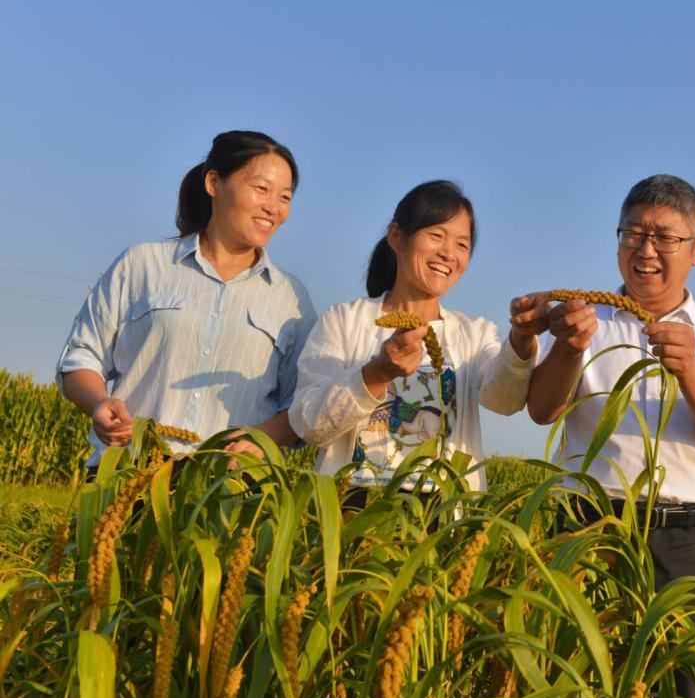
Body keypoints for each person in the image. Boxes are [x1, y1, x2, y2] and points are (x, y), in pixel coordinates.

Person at [522, 172, 695, 596]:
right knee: (578, 640)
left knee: (690, 642)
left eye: (665, 238)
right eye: (633, 234)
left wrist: (689, 367)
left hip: (686, 539)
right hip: (587, 529)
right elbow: (542, 411)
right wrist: (569, 349)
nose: (646, 250)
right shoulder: (584, 319)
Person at [57, 130, 316, 470]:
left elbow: (304, 403)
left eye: (285, 196)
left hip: (230, 485)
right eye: (261, 189)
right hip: (129, 474)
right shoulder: (142, 264)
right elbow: (81, 357)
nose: (273, 207)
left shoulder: (291, 299)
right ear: (214, 183)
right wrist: (98, 403)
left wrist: (262, 438)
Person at [289, 180, 539, 500]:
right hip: (350, 509)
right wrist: (375, 374)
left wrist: (521, 339)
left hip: (441, 516)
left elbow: (503, 400)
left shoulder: (474, 335)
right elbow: (308, 423)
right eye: (436, 235)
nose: (448, 253)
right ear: (397, 237)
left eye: (462, 245)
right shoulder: (344, 320)